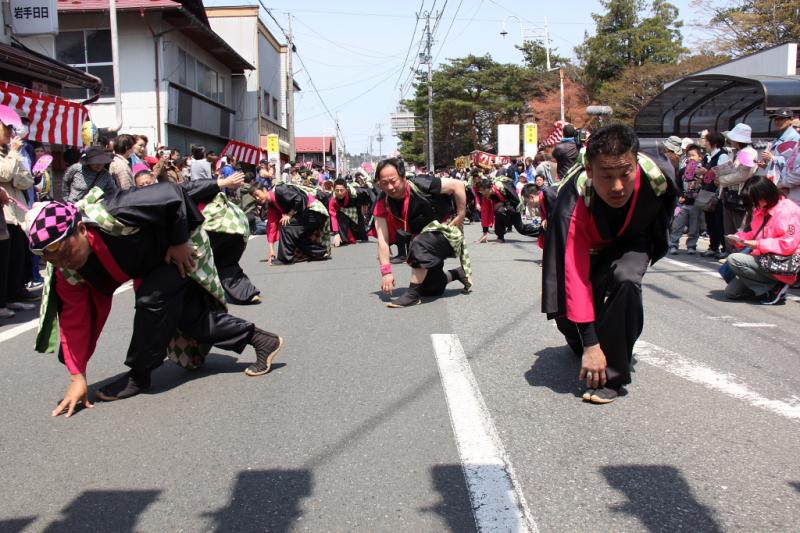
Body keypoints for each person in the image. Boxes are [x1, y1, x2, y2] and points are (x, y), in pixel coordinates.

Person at [28, 180, 283, 418]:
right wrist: (77, 377)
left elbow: (173, 193)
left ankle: (139, 374)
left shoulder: (118, 210)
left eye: (65, 251)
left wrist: (178, 241)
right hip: (149, 265)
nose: (64, 262)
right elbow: (75, 320)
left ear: (81, 229)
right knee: (190, 319)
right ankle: (261, 340)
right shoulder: (66, 271)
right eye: (51, 259)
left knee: (152, 301)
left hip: (180, 249)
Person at [541, 124, 676, 404]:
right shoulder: (571, 201)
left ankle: (613, 376)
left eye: (625, 174)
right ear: (590, 171)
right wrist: (590, 344)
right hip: (589, 247)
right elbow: (573, 276)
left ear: (636, 163)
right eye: (606, 176)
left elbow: (665, 212)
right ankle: (584, 342)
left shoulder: (659, 177)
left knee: (626, 280)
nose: (617, 187)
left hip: (633, 239)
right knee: (574, 326)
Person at [372, 157, 472, 308]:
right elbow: (382, 240)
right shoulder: (382, 202)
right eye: (384, 183)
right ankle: (457, 274)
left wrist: (461, 213)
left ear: (403, 177)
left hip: (445, 233)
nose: (390, 187)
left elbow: (457, 185)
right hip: (424, 244)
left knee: (419, 243)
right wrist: (386, 272)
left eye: (394, 181)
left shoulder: (423, 184)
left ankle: (412, 295)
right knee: (430, 289)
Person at [723, 176, 800, 305]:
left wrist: (757, 244)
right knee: (732, 293)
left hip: (785, 261)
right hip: (764, 258)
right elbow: (754, 233)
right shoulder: (761, 208)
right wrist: (739, 239)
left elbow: (787, 244)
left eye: (755, 201)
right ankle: (769, 286)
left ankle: (776, 287)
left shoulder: (789, 210)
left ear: (765, 195)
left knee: (734, 259)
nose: (754, 205)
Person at [0, 105, 36, 319]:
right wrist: (13, 156)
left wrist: (13, 170)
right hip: (5, 214)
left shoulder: (11, 152)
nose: (11, 133)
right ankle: (3, 299)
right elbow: (4, 173)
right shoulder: (10, 152)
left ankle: (13, 295)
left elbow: (26, 179)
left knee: (17, 258)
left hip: (18, 212)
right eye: (6, 129)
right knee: (4, 261)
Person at [252, 182, 330, 264]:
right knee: (297, 238)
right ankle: (321, 252)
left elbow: (299, 199)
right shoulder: (272, 206)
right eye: (254, 197)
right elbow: (271, 227)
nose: (257, 198)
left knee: (285, 225)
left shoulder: (279, 190)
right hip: (307, 215)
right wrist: (271, 250)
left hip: (315, 211)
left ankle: (285, 259)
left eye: (257, 194)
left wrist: (289, 214)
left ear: (264, 190)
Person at [712, 124, 758, 253]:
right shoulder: (735, 152)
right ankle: (730, 252)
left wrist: (722, 180)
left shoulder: (747, 152)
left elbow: (743, 175)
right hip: (729, 193)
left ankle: (737, 253)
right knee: (728, 226)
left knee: (739, 227)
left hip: (740, 195)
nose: (731, 140)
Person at [669, 144, 704, 255]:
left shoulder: (702, 171)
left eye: (693, 155)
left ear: (700, 157)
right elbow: (677, 184)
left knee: (694, 226)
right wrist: (680, 195)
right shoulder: (683, 170)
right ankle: (673, 244)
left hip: (696, 204)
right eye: (689, 155)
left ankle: (691, 245)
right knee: (676, 224)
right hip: (681, 203)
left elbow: (706, 185)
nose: (691, 158)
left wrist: (698, 194)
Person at [699, 132, 730, 258]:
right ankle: (713, 246)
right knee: (710, 221)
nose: (705, 143)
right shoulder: (709, 156)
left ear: (714, 143)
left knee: (718, 221)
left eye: (707, 141)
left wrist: (706, 172)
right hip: (708, 191)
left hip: (717, 193)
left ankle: (723, 247)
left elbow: (723, 174)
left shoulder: (722, 156)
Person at [759, 109, 800, 184]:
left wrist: (772, 158)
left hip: (786, 182)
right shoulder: (778, 136)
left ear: (790, 120)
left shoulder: (794, 137)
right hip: (775, 179)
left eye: (781, 119)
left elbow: (793, 163)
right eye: (776, 119)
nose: (777, 122)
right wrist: (765, 164)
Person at [330, 178, 371, 247]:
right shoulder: (332, 200)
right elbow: (333, 216)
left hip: (356, 207)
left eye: (342, 190)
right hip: (342, 211)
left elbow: (366, 199)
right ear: (334, 190)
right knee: (340, 215)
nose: (339, 193)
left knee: (361, 235)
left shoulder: (356, 193)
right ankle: (344, 237)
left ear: (346, 189)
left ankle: (360, 233)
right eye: (337, 190)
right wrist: (336, 233)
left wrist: (365, 212)